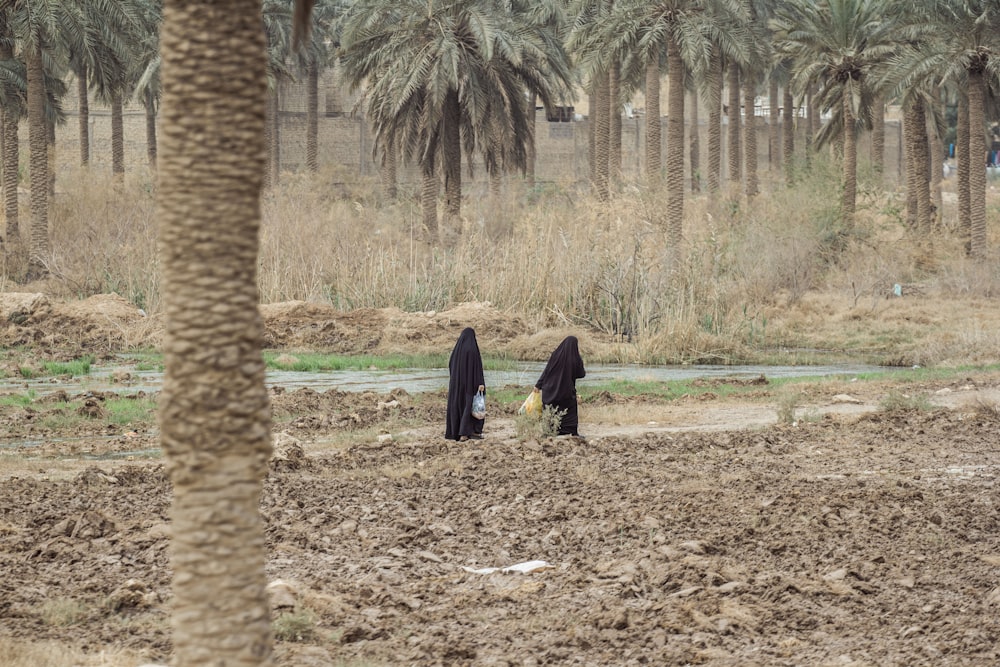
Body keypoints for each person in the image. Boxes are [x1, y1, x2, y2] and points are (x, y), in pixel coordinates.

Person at [535, 335, 586, 437]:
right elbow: (581, 374)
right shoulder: (575, 359)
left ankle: (549, 432)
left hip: (549, 390)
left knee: (550, 411)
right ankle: (572, 432)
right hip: (565, 392)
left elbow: (547, 370)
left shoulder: (555, 355)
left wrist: (538, 385)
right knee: (569, 411)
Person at [445, 327, 486, 441]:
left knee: (457, 407)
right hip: (469, 386)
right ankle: (465, 433)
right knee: (468, 407)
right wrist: (480, 383)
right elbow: (476, 368)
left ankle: (455, 432)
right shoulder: (472, 349)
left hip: (456, 386)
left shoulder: (456, 351)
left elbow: (451, 366)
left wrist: (455, 380)